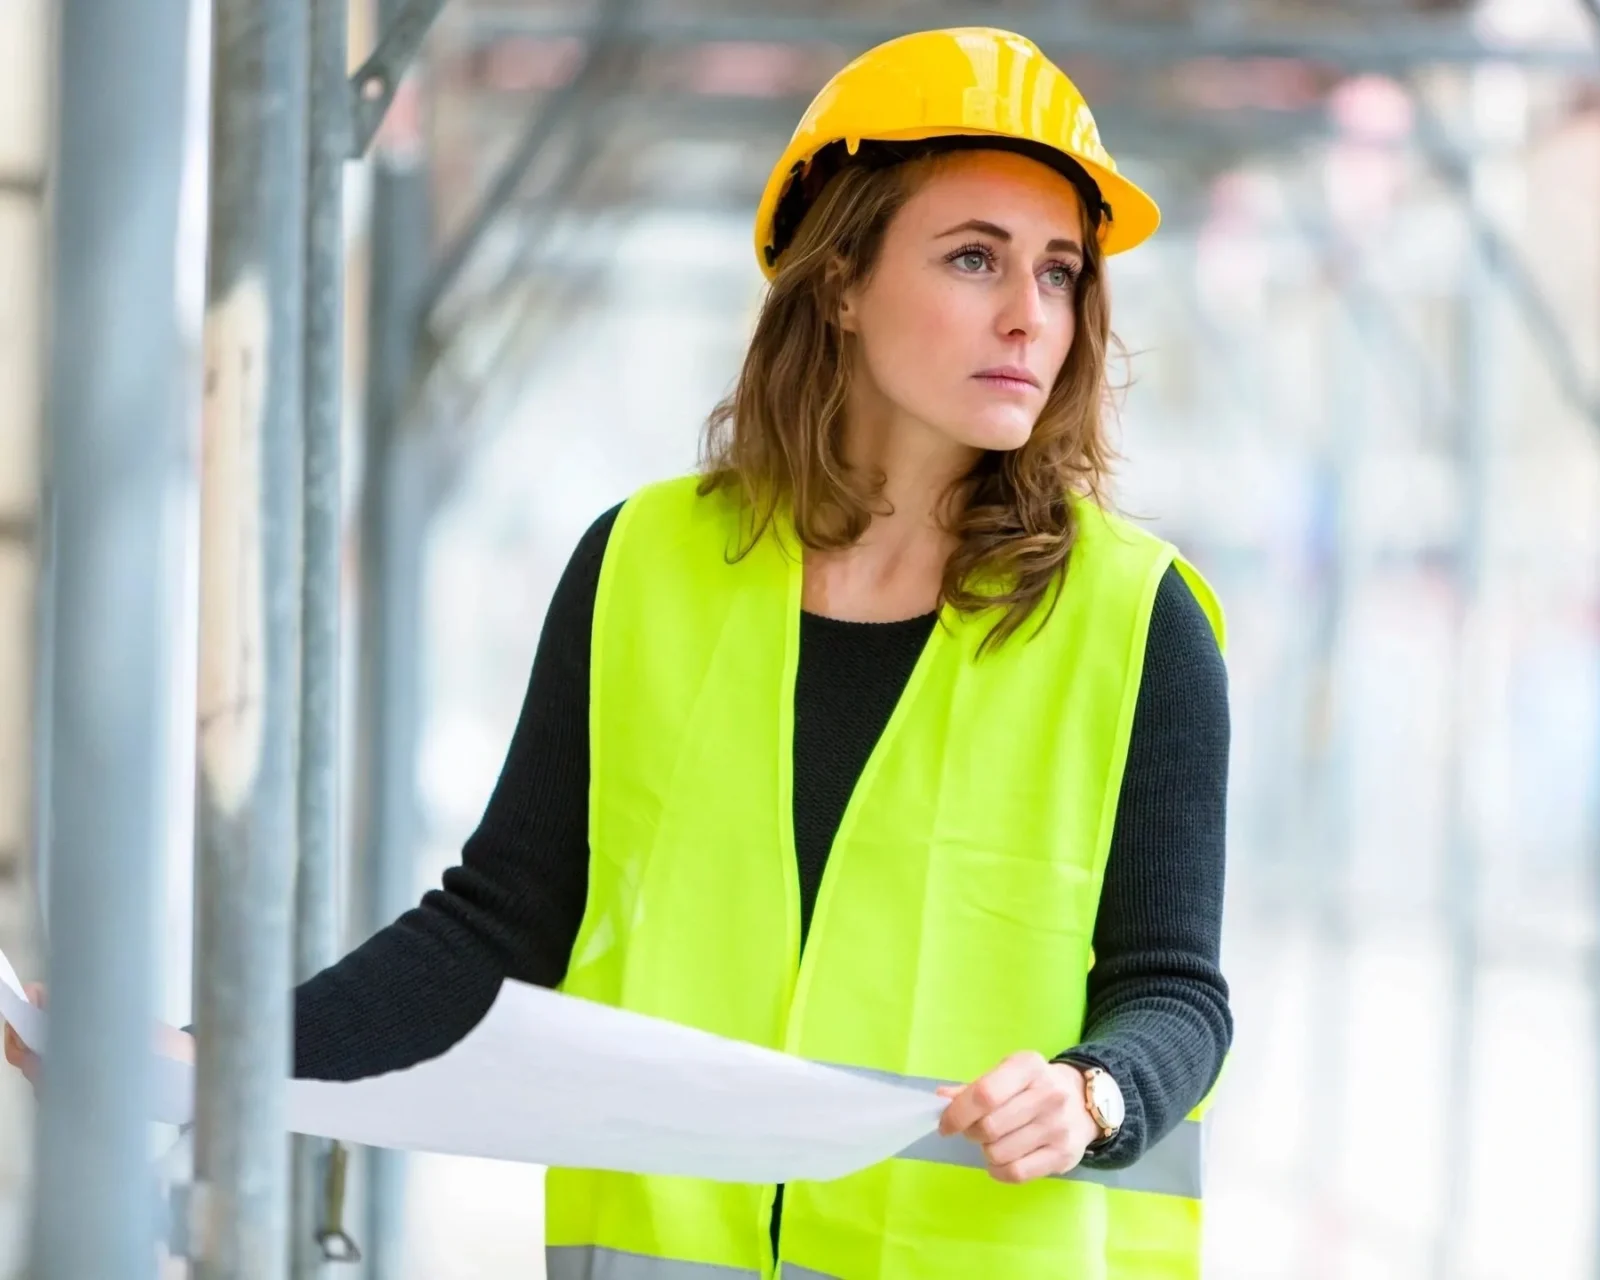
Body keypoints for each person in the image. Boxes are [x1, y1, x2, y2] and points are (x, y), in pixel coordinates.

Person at [8, 25, 1232, 1280]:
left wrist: (1094, 1091)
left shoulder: (1137, 621)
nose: (1032, 316)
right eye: (975, 257)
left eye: (1063, 272)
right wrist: (196, 1053)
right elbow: (493, 931)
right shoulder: (641, 566)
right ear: (843, 281)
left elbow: (1178, 991)